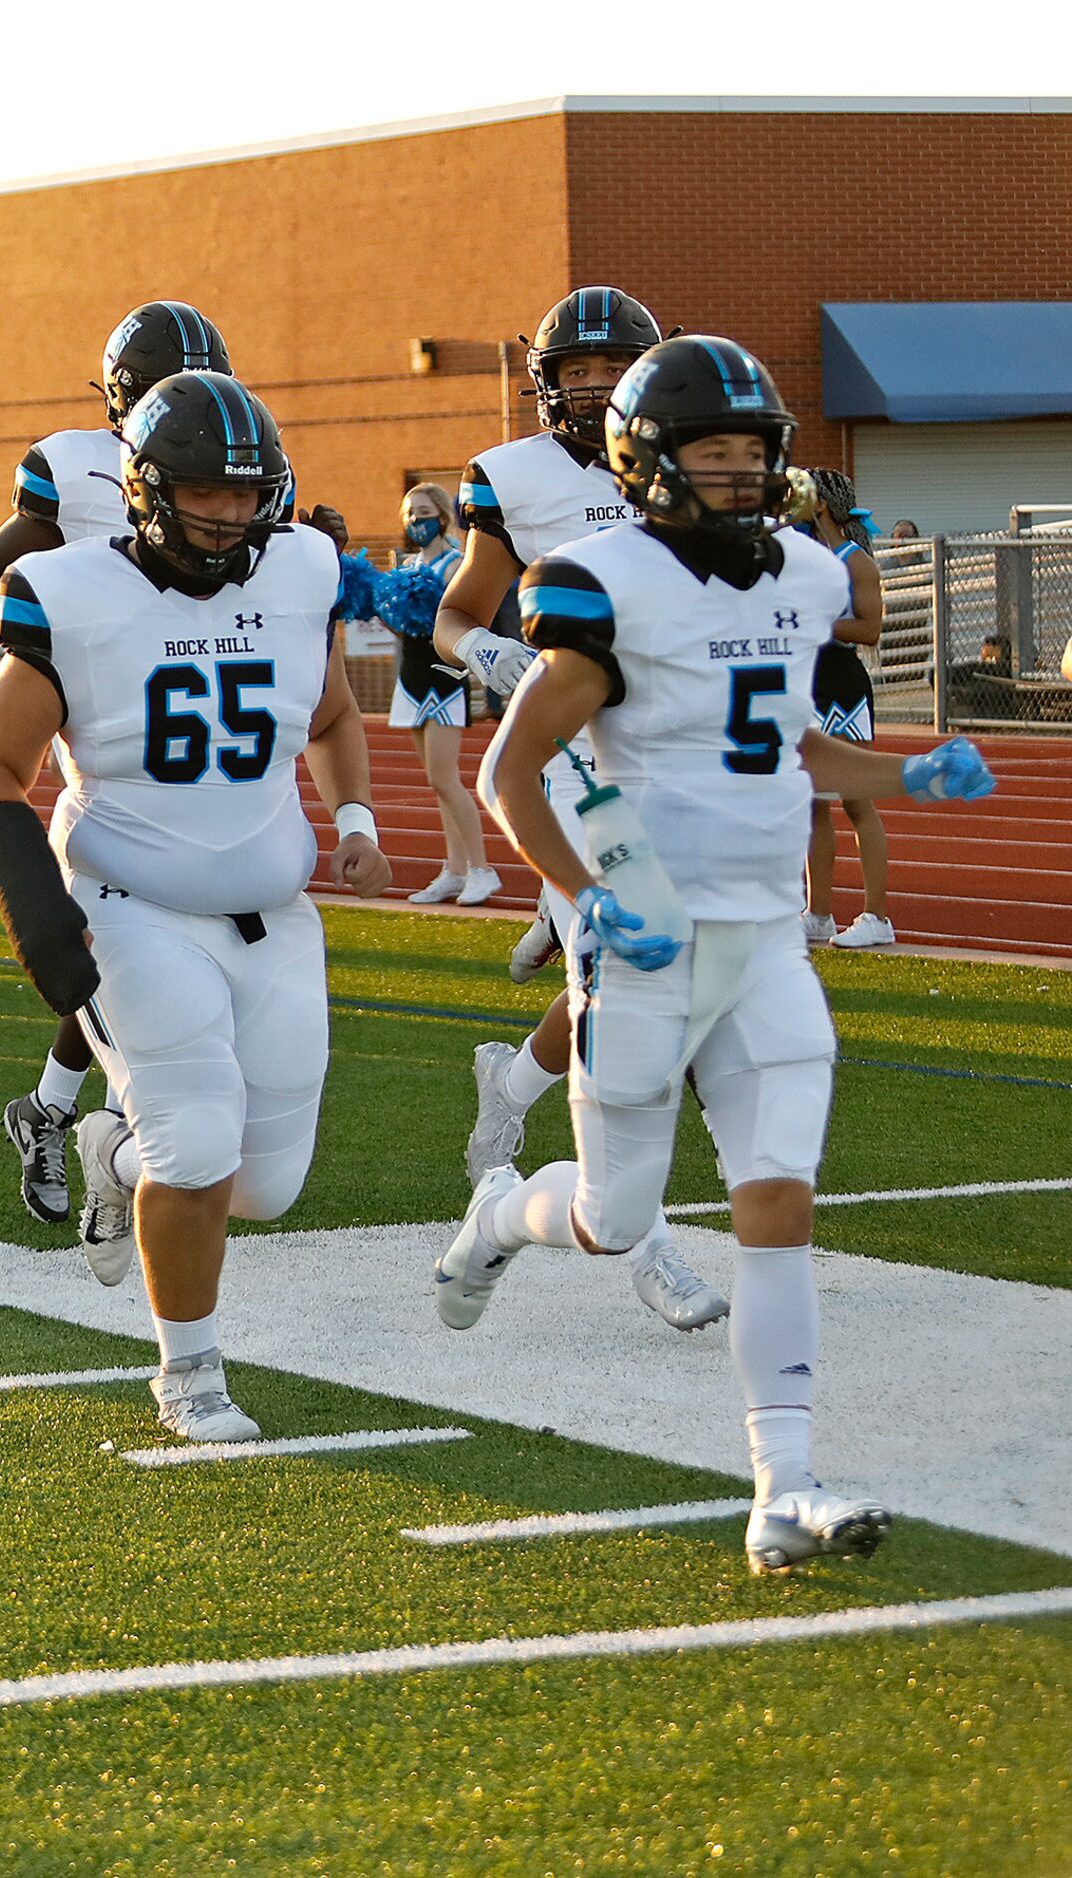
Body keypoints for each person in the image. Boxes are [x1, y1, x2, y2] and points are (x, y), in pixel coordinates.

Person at [433, 335, 999, 1572]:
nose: (741, 476)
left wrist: (908, 770)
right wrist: (584, 901)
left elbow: (794, 749)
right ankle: (493, 1216)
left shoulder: (796, 574)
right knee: (607, 1214)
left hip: (763, 941)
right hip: (644, 938)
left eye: (753, 453)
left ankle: (780, 1485)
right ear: (651, 464)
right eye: (713, 453)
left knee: (778, 1207)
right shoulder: (598, 582)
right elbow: (510, 769)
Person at [0, 369, 391, 1443]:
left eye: (248, 493)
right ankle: (188, 1376)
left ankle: (114, 1155)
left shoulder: (300, 570)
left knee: (265, 1188)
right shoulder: (67, 590)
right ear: (148, 489)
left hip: (273, 911)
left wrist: (352, 823)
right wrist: (37, 915)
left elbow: (337, 714)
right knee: (198, 1142)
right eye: (206, 491)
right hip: (132, 902)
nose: (230, 514)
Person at [431, 288, 720, 1331]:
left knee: (658, 988)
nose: (594, 389)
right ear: (544, 384)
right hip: (574, 759)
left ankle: (510, 1091)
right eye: (577, 373)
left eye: (614, 371)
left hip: (676, 756)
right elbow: (454, 614)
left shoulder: (691, 454)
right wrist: (490, 650)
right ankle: (644, 1240)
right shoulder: (512, 477)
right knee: (650, 981)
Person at [0, 301, 236, 1230]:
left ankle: (52, 1108)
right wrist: (20, 659)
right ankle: (116, 1128)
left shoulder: (224, 457)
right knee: (131, 899)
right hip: (103, 694)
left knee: (167, 914)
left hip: (195, 683)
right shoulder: (67, 460)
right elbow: (2, 564)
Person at [382, 482, 498, 905]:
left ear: (443, 516)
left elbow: (458, 622)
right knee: (435, 781)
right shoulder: (408, 565)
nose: (416, 521)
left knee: (445, 778)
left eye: (425, 512)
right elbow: (403, 624)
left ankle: (483, 869)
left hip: (444, 679)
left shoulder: (454, 564)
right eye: (410, 514)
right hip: (411, 678)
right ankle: (453, 869)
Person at [798, 469, 893, 947]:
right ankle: (818, 913)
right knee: (811, 801)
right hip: (806, 683)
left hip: (842, 687)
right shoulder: (802, 553)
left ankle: (876, 917)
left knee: (855, 799)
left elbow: (870, 629)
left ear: (820, 505)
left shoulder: (856, 562)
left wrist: (813, 624)